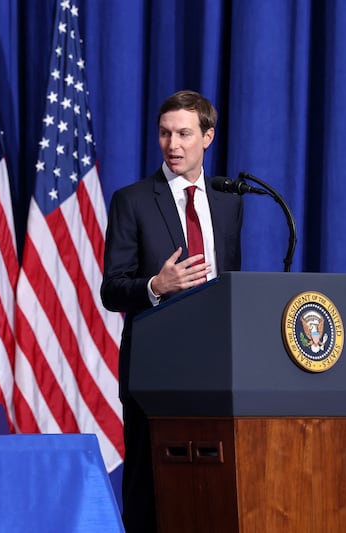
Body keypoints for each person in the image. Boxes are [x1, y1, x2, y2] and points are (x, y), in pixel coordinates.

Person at [101, 90, 243, 532]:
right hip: (154, 372)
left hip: (218, 374)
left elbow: (231, 285)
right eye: (165, 134)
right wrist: (155, 286)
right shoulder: (134, 200)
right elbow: (112, 290)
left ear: (208, 137)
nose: (173, 145)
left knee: (211, 492)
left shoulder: (228, 202)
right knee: (150, 496)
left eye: (184, 133)